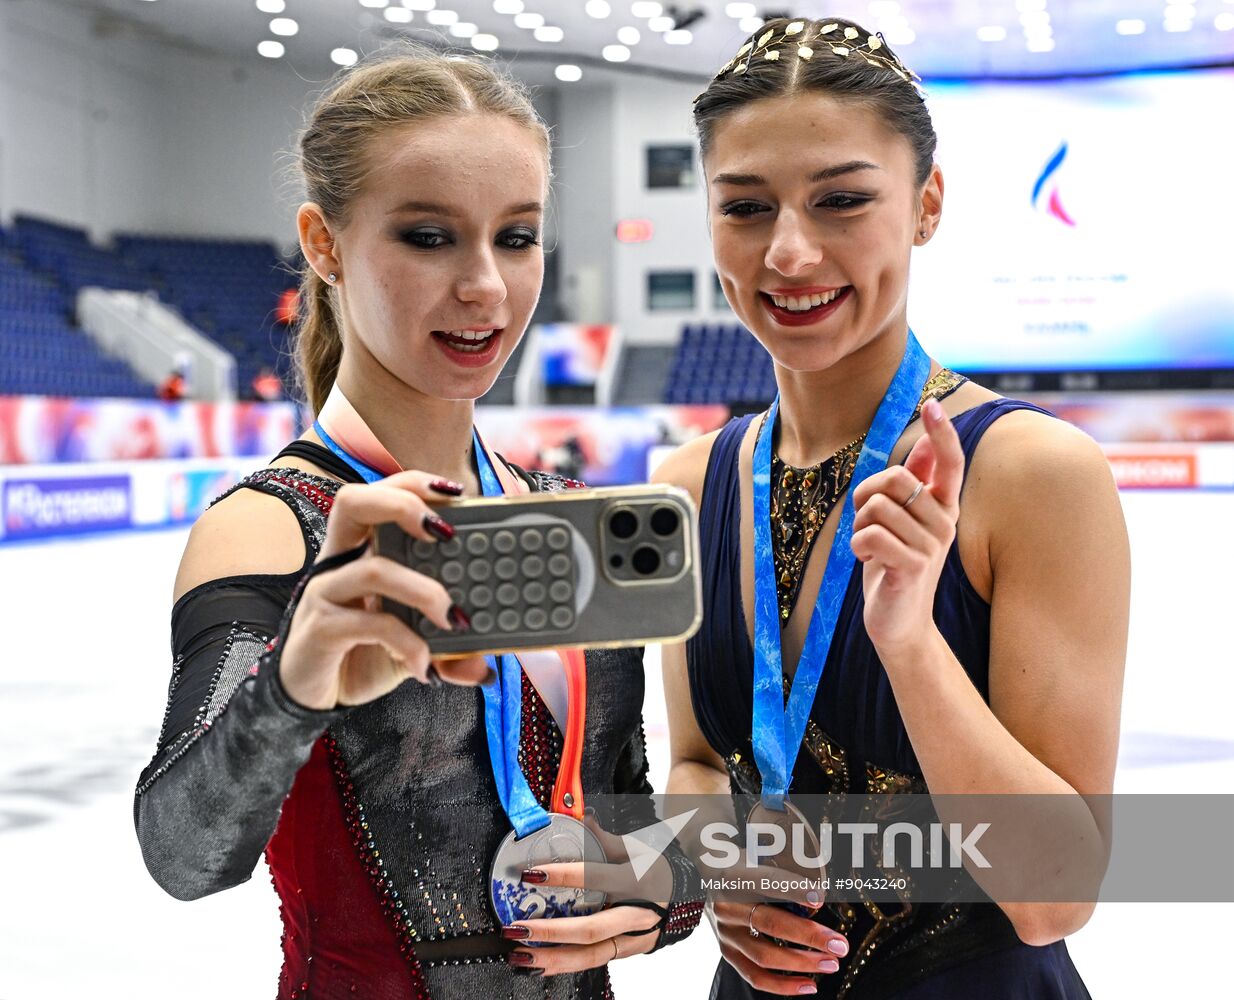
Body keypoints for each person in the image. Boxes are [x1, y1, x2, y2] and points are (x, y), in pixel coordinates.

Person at [134, 50, 701, 999]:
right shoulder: (270, 528)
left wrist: (666, 890)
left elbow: (629, 809)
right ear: (324, 243)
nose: (485, 285)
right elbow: (183, 856)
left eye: (516, 238)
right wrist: (295, 680)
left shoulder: (550, 514)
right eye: (430, 236)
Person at [655, 17, 1128, 999]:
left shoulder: (1036, 474)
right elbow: (697, 766)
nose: (788, 252)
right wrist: (722, 863)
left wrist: (908, 640)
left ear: (925, 204)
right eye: (745, 208)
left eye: (841, 200)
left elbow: (1055, 894)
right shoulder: (693, 482)